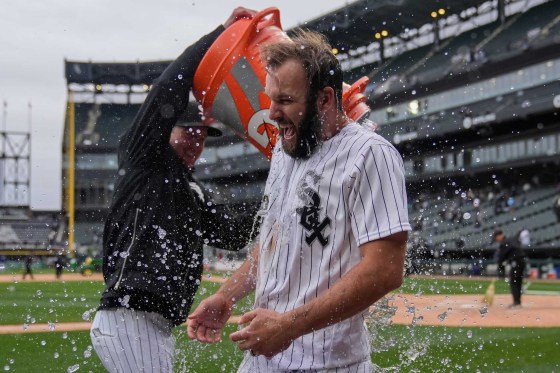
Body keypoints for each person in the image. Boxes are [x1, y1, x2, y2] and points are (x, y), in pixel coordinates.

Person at [187, 30, 411, 372]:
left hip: (329, 363)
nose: (273, 113)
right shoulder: (285, 149)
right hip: (262, 357)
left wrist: (289, 325)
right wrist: (226, 296)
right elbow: (276, 240)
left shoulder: (371, 154)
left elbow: (385, 270)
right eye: (271, 99)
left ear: (324, 99)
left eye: (286, 100)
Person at [90, 7, 258, 373]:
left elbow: (232, 234)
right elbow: (167, 88)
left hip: (154, 324)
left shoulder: (190, 189)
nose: (196, 142)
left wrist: (284, 194)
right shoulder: (145, 158)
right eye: (188, 132)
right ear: (166, 130)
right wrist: (219, 35)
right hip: (129, 317)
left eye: (202, 135)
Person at [493, 230, 527, 308]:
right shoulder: (511, 240)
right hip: (521, 261)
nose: (496, 240)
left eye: (496, 237)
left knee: (514, 282)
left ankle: (516, 302)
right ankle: (517, 302)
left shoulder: (504, 243)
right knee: (518, 282)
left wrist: (500, 267)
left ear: (499, 236)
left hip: (516, 262)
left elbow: (502, 257)